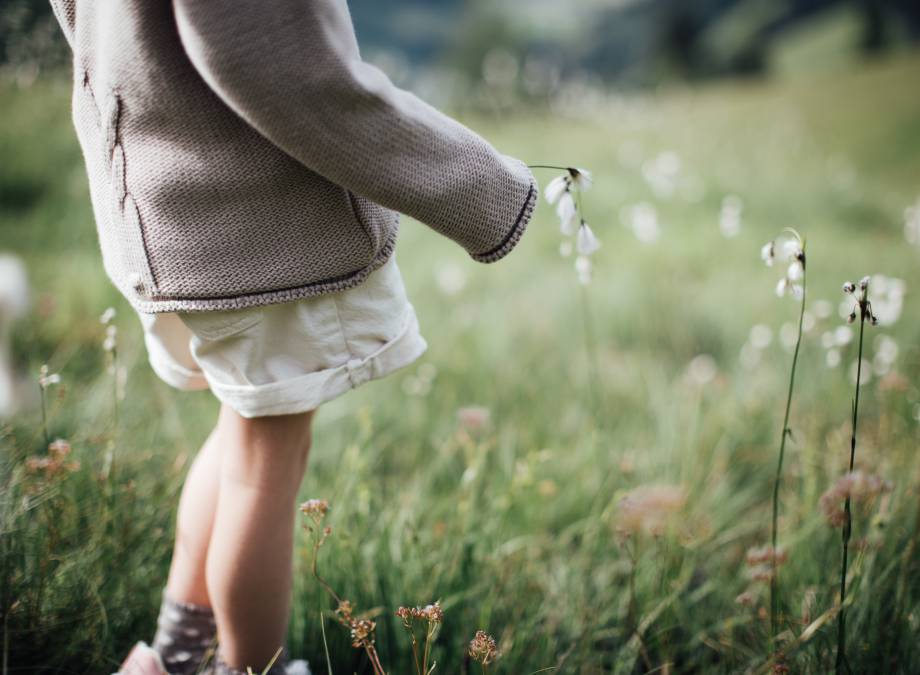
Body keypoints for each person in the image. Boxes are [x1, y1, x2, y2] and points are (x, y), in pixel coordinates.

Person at [48, 1, 537, 673]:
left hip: (160, 207)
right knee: (264, 464)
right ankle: (250, 667)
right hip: (250, 219)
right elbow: (283, 68)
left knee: (240, 431)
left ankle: (180, 658)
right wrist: (481, 186)